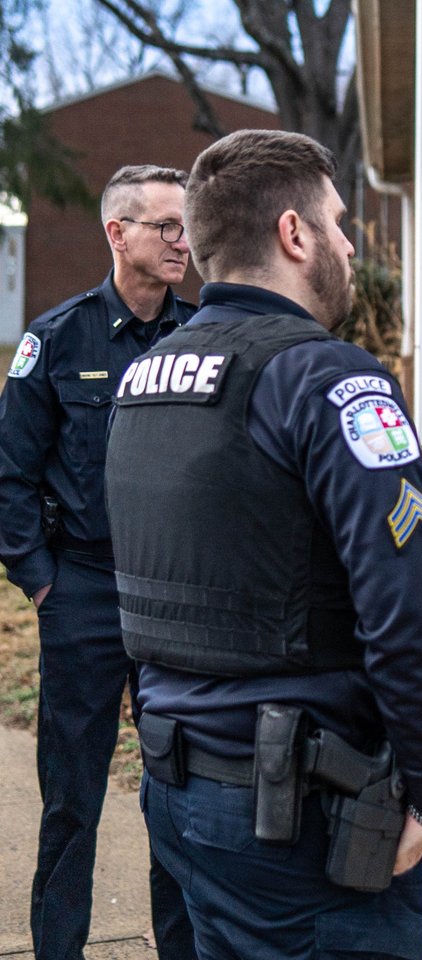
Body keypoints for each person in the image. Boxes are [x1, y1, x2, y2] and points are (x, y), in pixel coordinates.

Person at [103, 129, 422, 958]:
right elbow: (402, 607)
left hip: (179, 789)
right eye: (339, 224)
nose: (347, 242)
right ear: (294, 234)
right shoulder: (334, 381)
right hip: (305, 818)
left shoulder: (143, 380)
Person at [0, 164, 197, 960]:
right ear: (118, 234)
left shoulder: (200, 337)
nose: (184, 241)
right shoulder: (57, 337)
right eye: (167, 227)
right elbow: (9, 475)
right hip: (79, 589)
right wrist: (42, 582)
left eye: (187, 227)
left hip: (173, 597)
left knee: (179, 792)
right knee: (73, 796)